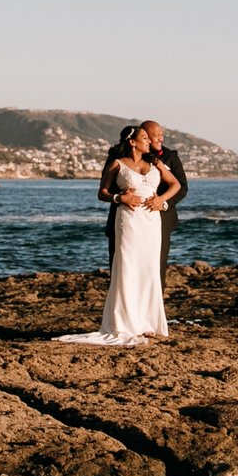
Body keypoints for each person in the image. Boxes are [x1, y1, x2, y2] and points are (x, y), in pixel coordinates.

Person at [61, 123, 181, 345]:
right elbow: (102, 193)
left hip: (151, 222)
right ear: (132, 142)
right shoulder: (117, 164)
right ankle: (127, 323)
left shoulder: (155, 162)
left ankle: (148, 323)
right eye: (145, 138)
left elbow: (176, 185)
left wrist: (161, 200)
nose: (150, 141)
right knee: (127, 267)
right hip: (128, 221)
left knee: (149, 269)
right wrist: (119, 198)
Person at [100, 119, 188, 267]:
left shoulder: (168, 157)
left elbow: (181, 186)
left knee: (154, 266)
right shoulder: (117, 159)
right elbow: (106, 187)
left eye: (162, 134)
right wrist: (121, 197)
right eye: (155, 135)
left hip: (157, 219)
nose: (161, 138)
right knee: (123, 265)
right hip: (126, 217)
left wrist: (163, 202)